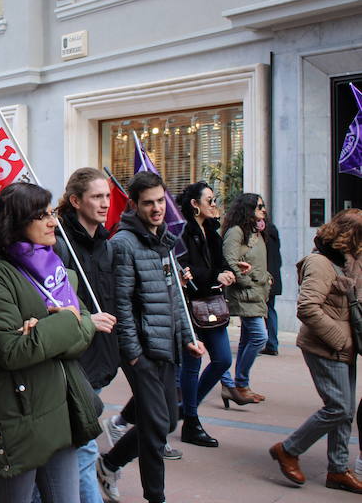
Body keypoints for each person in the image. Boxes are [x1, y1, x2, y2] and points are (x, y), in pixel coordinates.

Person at [0, 182, 114, 502]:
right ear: (16, 223)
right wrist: (66, 321)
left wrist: (51, 329)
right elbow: (12, 351)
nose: (53, 221)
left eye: (51, 213)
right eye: (41, 215)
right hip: (13, 416)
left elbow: (80, 336)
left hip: (60, 411)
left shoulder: (52, 268)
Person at [96, 172, 206, 503]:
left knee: (166, 421)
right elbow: (122, 304)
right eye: (148, 203)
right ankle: (155, 497)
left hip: (167, 345)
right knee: (158, 426)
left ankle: (110, 463)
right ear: (134, 205)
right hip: (141, 350)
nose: (157, 208)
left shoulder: (164, 240)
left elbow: (173, 297)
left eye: (160, 201)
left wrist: (187, 335)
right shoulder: (123, 244)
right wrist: (132, 355)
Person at [270, 209, 362, 494]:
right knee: (338, 408)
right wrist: (340, 340)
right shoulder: (320, 263)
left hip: (343, 347)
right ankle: (288, 449)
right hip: (326, 347)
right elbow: (307, 308)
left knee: (344, 412)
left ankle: (337, 469)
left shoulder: (346, 261)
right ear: (350, 237)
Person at [53, 168, 120, 503]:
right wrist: (85, 320)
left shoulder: (106, 244)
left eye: (106, 195)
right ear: (76, 200)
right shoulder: (59, 243)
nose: (105, 203)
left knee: (73, 445)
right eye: (97, 196)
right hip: (75, 359)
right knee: (84, 445)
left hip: (101, 357)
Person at [175, 182, 239, 446]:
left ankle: (187, 406)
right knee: (192, 364)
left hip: (213, 304)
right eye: (210, 200)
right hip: (192, 306)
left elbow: (219, 263)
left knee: (223, 359)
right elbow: (190, 274)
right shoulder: (182, 233)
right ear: (195, 205)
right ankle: (191, 420)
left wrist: (229, 271)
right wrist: (216, 276)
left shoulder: (212, 231)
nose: (214, 205)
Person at [219, 193, 271, 404]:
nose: (263, 209)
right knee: (260, 337)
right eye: (259, 206)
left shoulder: (254, 232)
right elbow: (229, 260)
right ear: (247, 209)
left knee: (247, 339)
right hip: (245, 293)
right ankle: (237, 383)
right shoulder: (236, 231)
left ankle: (240, 383)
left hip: (257, 293)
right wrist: (247, 281)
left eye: (263, 206)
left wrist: (268, 278)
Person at [261, 219, 283, 355]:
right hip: (274, 276)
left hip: (264, 277)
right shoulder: (273, 231)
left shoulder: (260, 234)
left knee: (263, 310)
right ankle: (272, 343)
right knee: (270, 310)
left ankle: (269, 343)